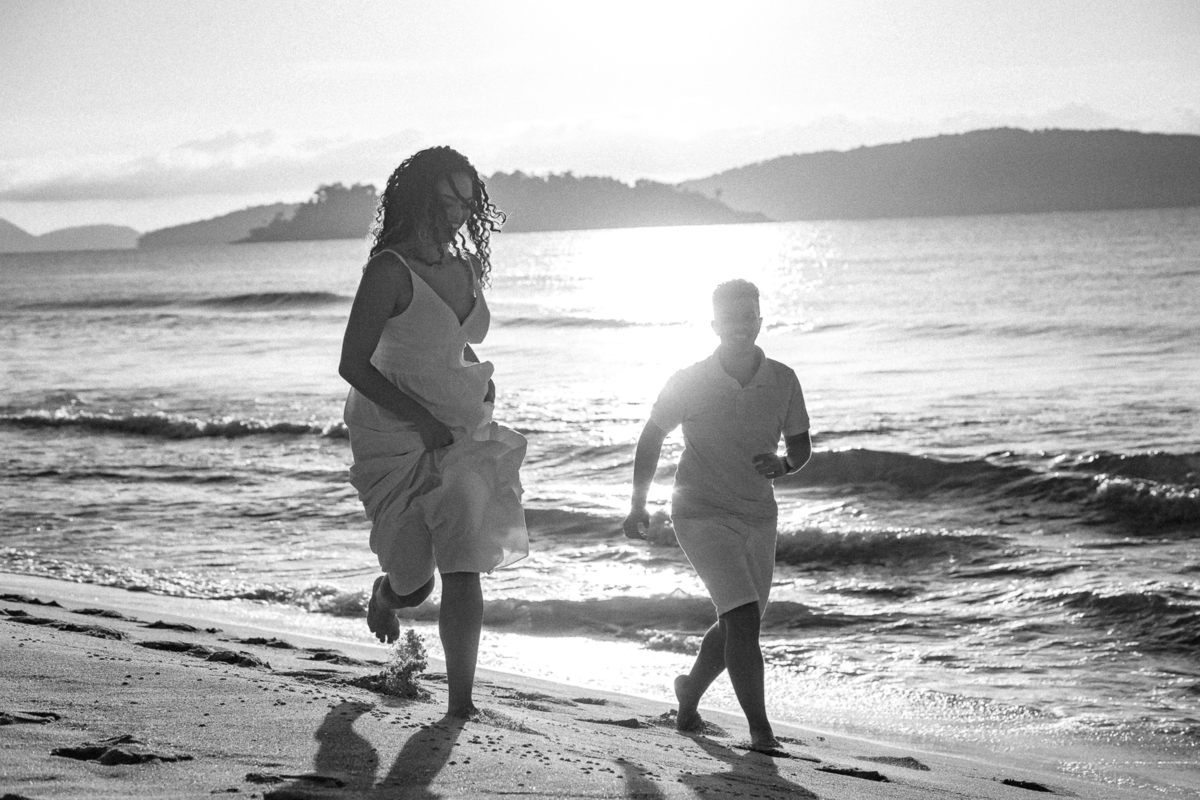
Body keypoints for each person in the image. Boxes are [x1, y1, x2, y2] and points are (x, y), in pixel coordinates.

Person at [339, 146, 527, 719]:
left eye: (466, 203)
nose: (457, 213)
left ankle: (461, 702)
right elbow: (353, 363)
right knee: (415, 585)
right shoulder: (389, 270)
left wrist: (477, 381)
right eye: (446, 200)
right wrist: (419, 419)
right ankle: (385, 595)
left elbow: (451, 341)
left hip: (462, 430)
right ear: (418, 197)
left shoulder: (464, 267)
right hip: (395, 433)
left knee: (463, 560)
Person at [622, 279, 811, 755]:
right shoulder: (689, 380)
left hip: (758, 515)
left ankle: (689, 693)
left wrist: (786, 465)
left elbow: (800, 444)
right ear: (714, 325)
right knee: (743, 617)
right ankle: (761, 732)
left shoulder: (784, 379)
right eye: (729, 318)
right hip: (699, 511)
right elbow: (652, 436)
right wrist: (638, 504)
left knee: (736, 621)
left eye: (748, 316)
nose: (739, 326)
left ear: (759, 321)